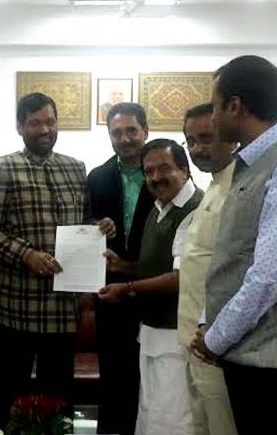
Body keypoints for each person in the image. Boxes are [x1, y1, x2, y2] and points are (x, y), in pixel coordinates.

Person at [190, 55, 277, 435]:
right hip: (246, 343)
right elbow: (233, 256)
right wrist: (209, 322)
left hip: (272, 351)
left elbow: (270, 275)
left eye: (216, 106)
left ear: (235, 105)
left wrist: (216, 338)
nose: (213, 118)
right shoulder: (250, 162)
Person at [0, 92, 116, 425]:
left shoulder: (74, 168)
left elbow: (81, 222)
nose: (44, 129)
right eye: (35, 122)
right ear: (20, 127)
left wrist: (98, 227)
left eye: (50, 121)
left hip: (60, 306)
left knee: (58, 394)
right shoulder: (3, 168)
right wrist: (27, 255)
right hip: (15, 305)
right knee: (10, 391)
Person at [100, 138, 203, 435]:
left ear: (184, 169)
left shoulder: (194, 210)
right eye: (149, 171)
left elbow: (182, 278)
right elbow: (158, 266)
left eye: (164, 168)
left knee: (174, 419)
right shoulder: (160, 207)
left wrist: (127, 286)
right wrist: (121, 266)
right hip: (152, 333)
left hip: (177, 333)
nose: (156, 177)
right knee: (153, 414)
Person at [87, 102, 154, 435]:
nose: (125, 139)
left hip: (156, 286)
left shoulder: (161, 172)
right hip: (109, 290)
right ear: (109, 135)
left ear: (145, 130)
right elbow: (83, 225)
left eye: (132, 130)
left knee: (151, 372)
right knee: (113, 370)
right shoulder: (96, 177)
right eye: (117, 132)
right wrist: (96, 225)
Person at [177, 103, 238, 435]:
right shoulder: (214, 185)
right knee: (200, 425)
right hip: (194, 340)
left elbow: (241, 272)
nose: (198, 148)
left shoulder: (240, 189)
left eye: (206, 138)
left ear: (229, 136)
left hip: (216, 340)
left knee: (221, 427)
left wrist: (213, 330)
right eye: (191, 141)